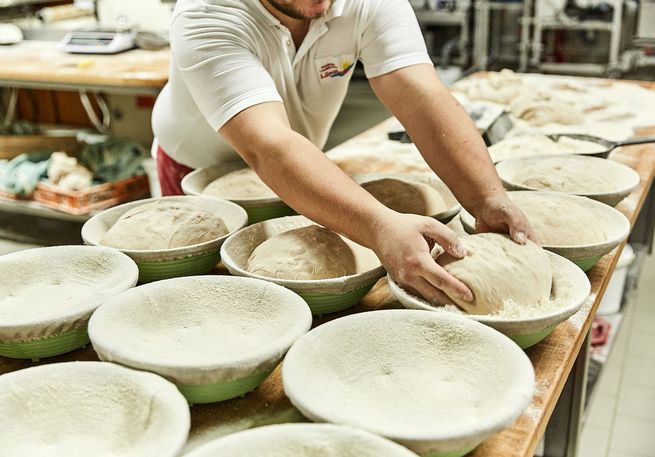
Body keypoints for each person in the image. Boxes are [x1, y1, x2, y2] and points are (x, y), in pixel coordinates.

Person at [151, 0, 534, 306]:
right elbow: (269, 144)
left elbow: (421, 97)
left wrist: (487, 196)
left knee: (300, 272)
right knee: (211, 300)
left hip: (300, 168)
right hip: (201, 172)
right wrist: (380, 226)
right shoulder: (206, 13)